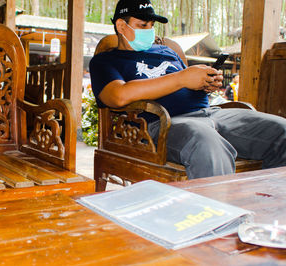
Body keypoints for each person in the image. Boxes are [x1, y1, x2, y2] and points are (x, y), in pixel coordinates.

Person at [90, 0, 286, 179]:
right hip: (163, 124)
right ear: (121, 26)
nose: (149, 31)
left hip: (212, 113)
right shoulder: (106, 60)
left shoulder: (167, 51)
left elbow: (187, 83)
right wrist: (182, 78)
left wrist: (205, 83)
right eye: (143, 25)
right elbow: (117, 95)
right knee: (205, 143)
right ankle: (218, 215)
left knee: (282, 131)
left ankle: (267, 204)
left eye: (152, 25)